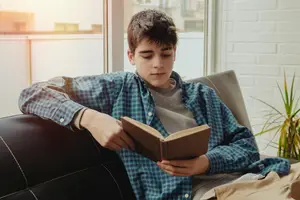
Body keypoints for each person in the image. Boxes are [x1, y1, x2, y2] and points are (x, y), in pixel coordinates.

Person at [19, 9, 297, 200]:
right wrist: (89, 118)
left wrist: (206, 162)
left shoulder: (203, 95)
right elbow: (32, 94)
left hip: (258, 177)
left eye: (165, 54)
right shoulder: (118, 89)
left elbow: (247, 145)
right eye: (147, 55)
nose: (158, 64)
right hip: (206, 195)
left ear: (175, 53)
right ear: (131, 55)